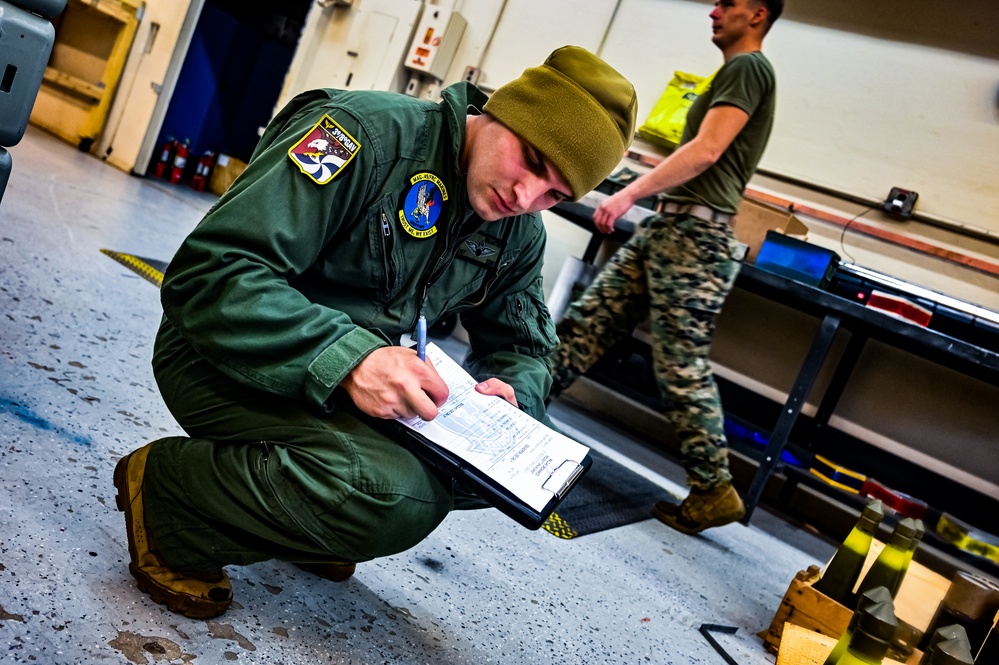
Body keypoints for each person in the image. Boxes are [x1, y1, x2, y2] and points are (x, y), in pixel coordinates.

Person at [112, 45, 637, 619]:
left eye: (555, 194)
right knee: (389, 496)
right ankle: (173, 502)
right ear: (506, 111)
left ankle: (308, 517)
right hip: (227, 351)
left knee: (506, 469)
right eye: (532, 161)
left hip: (351, 389)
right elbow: (212, 274)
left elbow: (524, 346)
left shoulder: (516, 230)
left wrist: (512, 396)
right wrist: (353, 360)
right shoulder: (360, 136)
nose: (526, 197)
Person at [549, 0, 783, 534]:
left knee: (681, 365)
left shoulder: (750, 68)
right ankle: (517, 410)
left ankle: (713, 488)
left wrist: (628, 193)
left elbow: (706, 151)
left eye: (729, 4)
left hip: (696, 239)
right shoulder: (732, 72)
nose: (715, 11)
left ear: (758, 14)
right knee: (588, 323)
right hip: (672, 228)